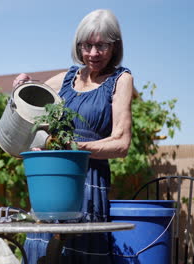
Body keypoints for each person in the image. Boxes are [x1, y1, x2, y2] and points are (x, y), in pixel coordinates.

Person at [13, 9, 134, 263]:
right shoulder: (67, 78)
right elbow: (32, 97)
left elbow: (121, 143)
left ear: (115, 46)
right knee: (40, 250)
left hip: (88, 181)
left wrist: (75, 147)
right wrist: (22, 82)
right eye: (87, 45)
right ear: (78, 45)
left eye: (101, 45)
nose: (93, 53)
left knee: (80, 252)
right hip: (51, 177)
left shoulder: (120, 80)